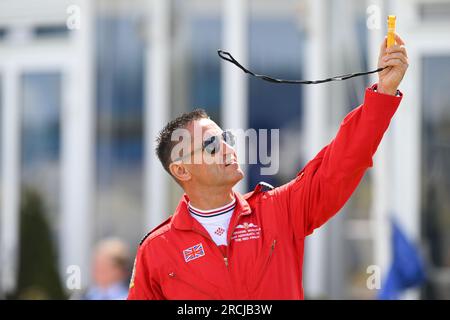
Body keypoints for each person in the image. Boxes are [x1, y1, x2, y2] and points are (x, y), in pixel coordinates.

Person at [128, 34, 409, 299]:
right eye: (212, 145)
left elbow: (341, 164)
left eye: (226, 138)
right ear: (182, 170)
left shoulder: (279, 210)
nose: (227, 148)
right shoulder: (156, 250)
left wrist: (383, 92)